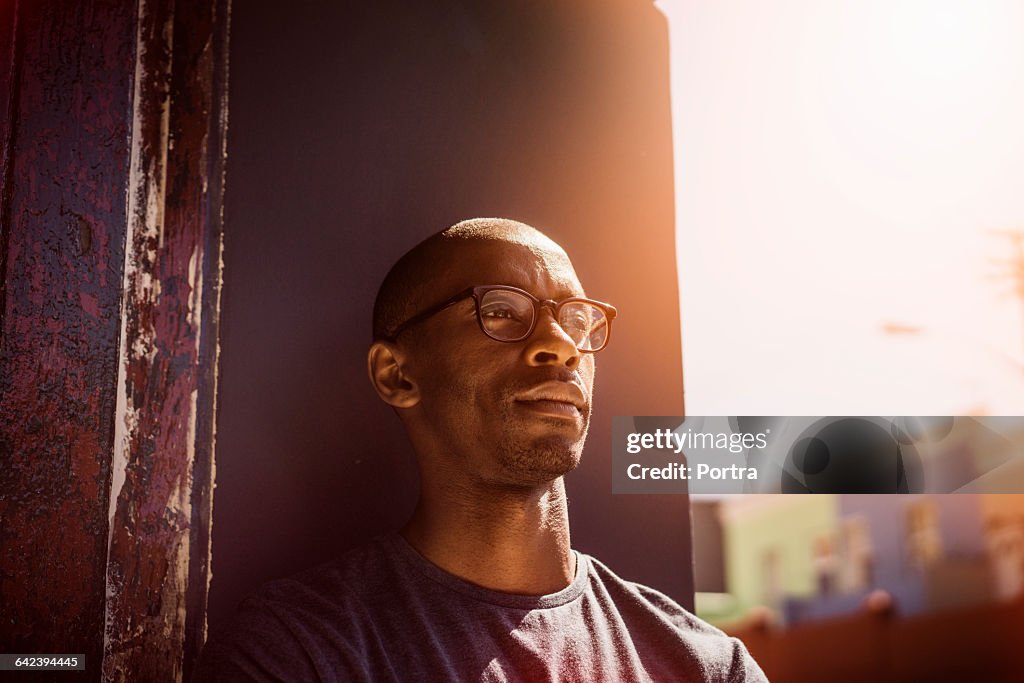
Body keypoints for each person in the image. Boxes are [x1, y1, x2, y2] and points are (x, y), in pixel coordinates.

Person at [195, 218, 767, 682]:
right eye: (500, 312)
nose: (560, 346)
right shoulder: (302, 650)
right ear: (397, 375)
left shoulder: (706, 666)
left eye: (576, 320)